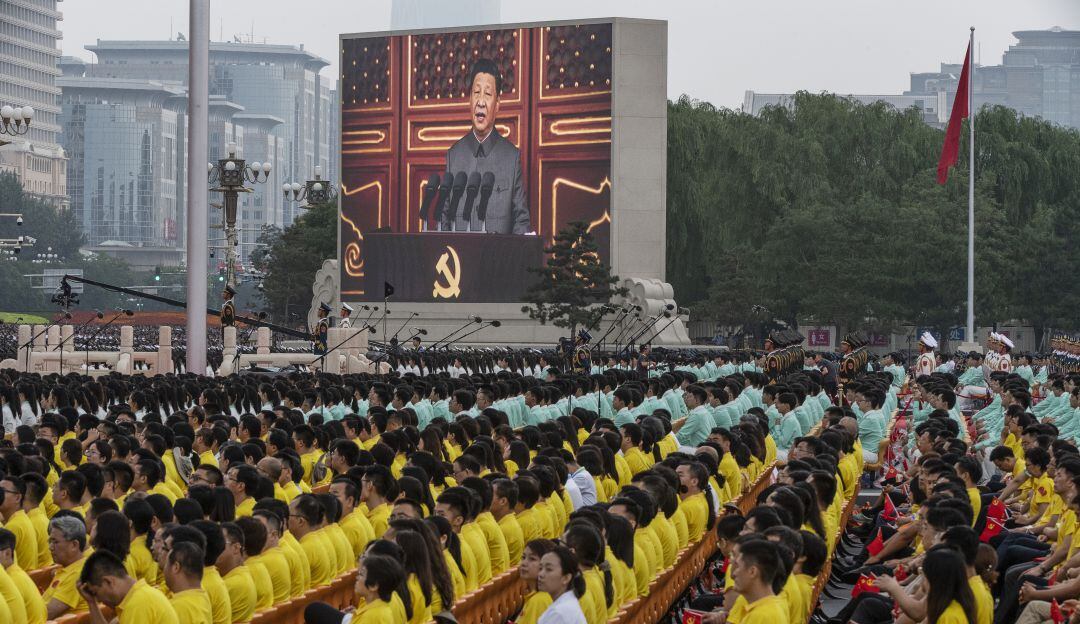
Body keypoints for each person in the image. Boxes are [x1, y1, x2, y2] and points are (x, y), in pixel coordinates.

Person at [442, 58, 530, 234]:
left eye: (488, 95)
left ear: (497, 104)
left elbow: (521, 221)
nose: (480, 101)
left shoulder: (511, 158)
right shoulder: (454, 155)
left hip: (498, 260)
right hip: (460, 260)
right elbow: (445, 218)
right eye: (476, 92)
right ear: (469, 100)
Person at [76, 550, 178, 624]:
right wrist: (91, 603)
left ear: (108, 582)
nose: (99, 600)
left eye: (95, 593)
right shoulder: (140, 595)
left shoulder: (137, 604)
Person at [536, 545, 588, 624]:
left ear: (566, 578)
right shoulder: (565, 605)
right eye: (540, 568)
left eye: (549, 569)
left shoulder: (559, 613)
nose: (540, 574)